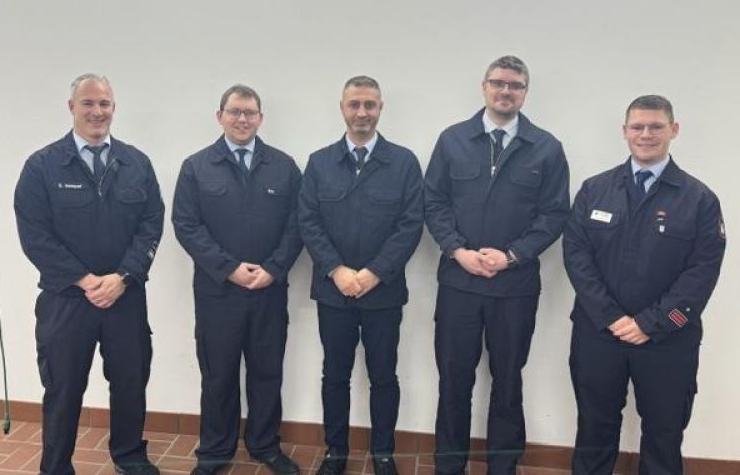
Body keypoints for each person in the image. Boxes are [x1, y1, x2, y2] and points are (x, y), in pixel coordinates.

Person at [563, 95, 725, 475]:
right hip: (599, 333)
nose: (646, 134)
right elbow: (576, 256)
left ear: (674, 130)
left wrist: (650, 323)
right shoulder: (595, 190)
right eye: (638, 127)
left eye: (656, 126)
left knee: (664, 437)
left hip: (668, 339)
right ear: (625, 132)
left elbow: (702, 272)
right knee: (594, 430)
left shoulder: (699, 199)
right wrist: (611, 317)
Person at [424, 55, 570, 475]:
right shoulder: (452, 140)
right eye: (498, 83)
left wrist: (511, 256)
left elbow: (554, 215)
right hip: (459, 283)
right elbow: (433, 202)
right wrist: (458, 250)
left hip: (515, 288)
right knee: (454, 380)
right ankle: (449, 467)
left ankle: (502, 467)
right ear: (484, 86)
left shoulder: (546, 147)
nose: (506, 91)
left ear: (525, 92)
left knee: (508, 381)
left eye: (515, 85)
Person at [14, 74, 164, 475]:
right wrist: (85, 280)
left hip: (125, 296)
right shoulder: (42, 166)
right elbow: (35, 236)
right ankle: (56, 465)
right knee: (63, 388)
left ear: (114, 108)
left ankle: (129, 456)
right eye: (88, 103)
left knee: (130, 382)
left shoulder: (136, 163)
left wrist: (123, 277)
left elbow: (151, 225)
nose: (97, 112)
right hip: (66, 300)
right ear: (71, 108)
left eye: (104, 104)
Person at [172, 84, 303, 475]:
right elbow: (186, 224)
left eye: (249, 112)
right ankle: (215, 451)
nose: (242, 119)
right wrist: (228, 267)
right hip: (218, 292)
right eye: (234, 112)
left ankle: (265, 445)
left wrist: (273, 269)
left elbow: (299, 224)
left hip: (268, 290)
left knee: (267, 372)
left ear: (261, 118)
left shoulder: (284, 166)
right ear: (220, 116)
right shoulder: (196, 167)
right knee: (218, 375)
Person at [298, 76, 423, 475]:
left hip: (383, 293)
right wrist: (336, 270)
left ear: (381, 108)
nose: (362, 112)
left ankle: (383, 452)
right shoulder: (319, 162)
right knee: (335, 375)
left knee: (383, 376)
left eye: (370, 104)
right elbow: (308, 221)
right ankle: (336, 452)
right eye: (354, 104)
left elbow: (410, 225)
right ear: (342, 108)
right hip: (333, 291)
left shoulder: (403, 162)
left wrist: (374, 273)